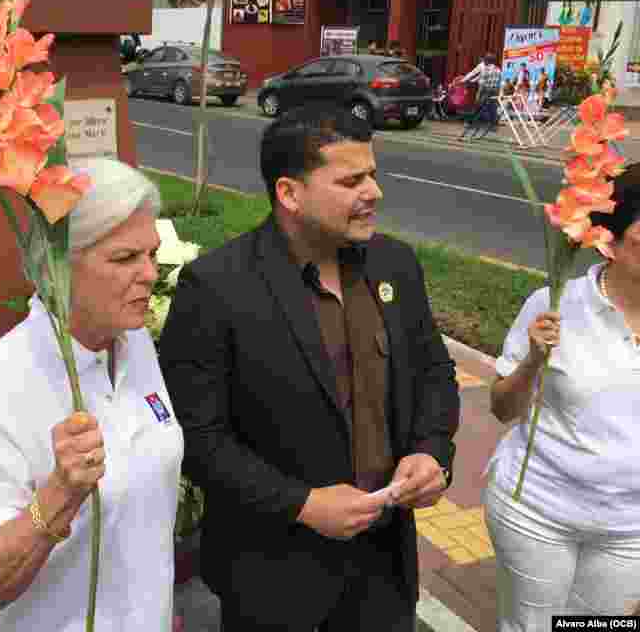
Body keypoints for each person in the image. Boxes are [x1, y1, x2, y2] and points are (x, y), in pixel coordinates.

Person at [159, 103, 461, 631]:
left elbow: (434, 373)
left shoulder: (396, 265)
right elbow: (196, 436)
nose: (373, 192)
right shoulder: (217, 287)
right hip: (273, 579)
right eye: (350, 180)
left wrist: (431, 452)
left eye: (372, 174)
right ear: (289, 193)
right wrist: (302, 504)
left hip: (384, 572)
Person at [0, 157, 183, 631]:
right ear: (58, 267)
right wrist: (59, 495)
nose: (149, 274)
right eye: (124, 258)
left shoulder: (131, 341)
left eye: (151, 255)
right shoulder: (3, 384)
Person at [485, 162, 640, 630]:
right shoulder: (553, 305)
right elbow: (501, 408)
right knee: (532, 627)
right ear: (608, 243)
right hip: (539, 511)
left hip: (629, 528)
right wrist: (533, 359)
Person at [458, 53, 502, 140]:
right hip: (495, 91)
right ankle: (493, 126)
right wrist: (471, 81)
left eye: (484, 60)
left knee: (478, 106)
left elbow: (473, 73)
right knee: (492, 108)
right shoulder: (497, 69)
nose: (483, 61)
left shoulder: (482, 66)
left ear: (486, 61)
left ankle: (471, 124)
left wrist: (462, 81)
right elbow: (480, 77)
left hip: (484, 90)